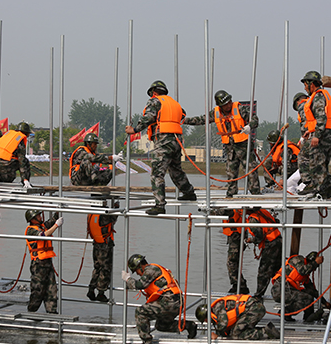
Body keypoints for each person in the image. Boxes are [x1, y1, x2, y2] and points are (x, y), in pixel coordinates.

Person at [125, 81, 197, 215]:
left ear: (153, 92)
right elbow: (182, 116)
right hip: (176, 140)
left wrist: (134, 130)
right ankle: (189, 193)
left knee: (157, 173)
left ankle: (159, 205)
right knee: (176, 170)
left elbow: (148, 118)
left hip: (163, 140)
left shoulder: (155, 101)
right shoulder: (175, 104)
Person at [184, 90, 260, 197]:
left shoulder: (239, 109)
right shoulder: (216, 113)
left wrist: (249, 126)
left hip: (244, 146)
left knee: (250, 170)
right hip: (230, 148)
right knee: (230, 171)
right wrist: (184, 121)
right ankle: (231, 194)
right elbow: (201, 119)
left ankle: (255, 193)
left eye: (229, 102)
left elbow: (255, 119)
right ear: (220, 106)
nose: (228, 105)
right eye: (225, 104)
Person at [121, 254, 197, 344]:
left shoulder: (151, 269)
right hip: (175, 303)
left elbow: (140, 284)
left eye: (136, 271)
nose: (138, 274)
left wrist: (128, 279)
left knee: (140, 312)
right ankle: (187, 325)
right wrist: (129, 283)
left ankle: (147, 343)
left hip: (169, 302)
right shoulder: (153, 271)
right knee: (161, 325)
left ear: (140, 266)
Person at [298, 71, 331, 199]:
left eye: (305, 85)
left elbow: (321, 117)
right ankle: (328, 186)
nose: (305, 88)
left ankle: (315, 185)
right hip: (327, 132)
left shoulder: (318, 97)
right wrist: (310, 131)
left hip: (323, 134)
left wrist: (316, 135)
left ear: (311, 84)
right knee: (321, 161)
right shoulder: (321, 95)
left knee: (312, 159)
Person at [24, 209, 63, 313]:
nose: (40, 217)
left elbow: (52, 220)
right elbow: (43, 235)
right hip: (38, 265)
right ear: (32, 219)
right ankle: (31, 312)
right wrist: (56, 225)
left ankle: (52, 312)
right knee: (38, 290)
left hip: (48, 263)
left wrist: (58, 211)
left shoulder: (42, 226)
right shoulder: (31, 230)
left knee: (52, 289)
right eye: (38, 216)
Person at [195, 294, 279, 340]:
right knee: (238, 330)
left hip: (254, 309)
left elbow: (224, 324)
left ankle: (266, 332)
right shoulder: (216, 309)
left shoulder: (218, 308)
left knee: (236, 334)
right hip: (252, 308)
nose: (207, 322)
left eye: (205, 320)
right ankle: (267, 330)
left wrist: (216, 335)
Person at [271, 251, 324, 322]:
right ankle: (285, 312)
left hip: (288, 291)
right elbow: (302, 271)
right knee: (306, 298)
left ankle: (308, 318)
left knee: (309, 295)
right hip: (280, 289)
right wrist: (315, 263)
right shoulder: (298, 260)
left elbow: (312, 291)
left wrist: (325, 302)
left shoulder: (305, 277)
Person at [245, 208, 283, 299]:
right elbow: (276, 221)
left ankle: (258, 295)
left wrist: (250, 240)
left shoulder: (253, 219)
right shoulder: (263, 211)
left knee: (264, 271)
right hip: (278, 240)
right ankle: (283, 291)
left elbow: (259, 237)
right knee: (276, 269)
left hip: (271, 243)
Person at [86, 204, 118, 302]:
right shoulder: (103, 215)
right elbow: (113, 218)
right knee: (105, 269)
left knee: (97, 268)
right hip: (105, 245)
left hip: (96, 244)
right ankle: (101, 293)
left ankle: (91, 289)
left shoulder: (91, 214)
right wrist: (116, 207)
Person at [220, 208, 249, 294]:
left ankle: (239, 285)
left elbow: (220, 212)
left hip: (236, 236)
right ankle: (239, 284)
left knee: (231, 262)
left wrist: (209, 209)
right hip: (237, 236)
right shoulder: (236, 208)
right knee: (235, 262)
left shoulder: (231, 209)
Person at [292, 92, 311, 190]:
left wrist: (304, 136)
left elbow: (306, 122)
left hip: (311, 135)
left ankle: (308, 184)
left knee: (303, 158)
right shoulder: (313, 103)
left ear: (297, 102)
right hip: (323, 134)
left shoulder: (303, 105)